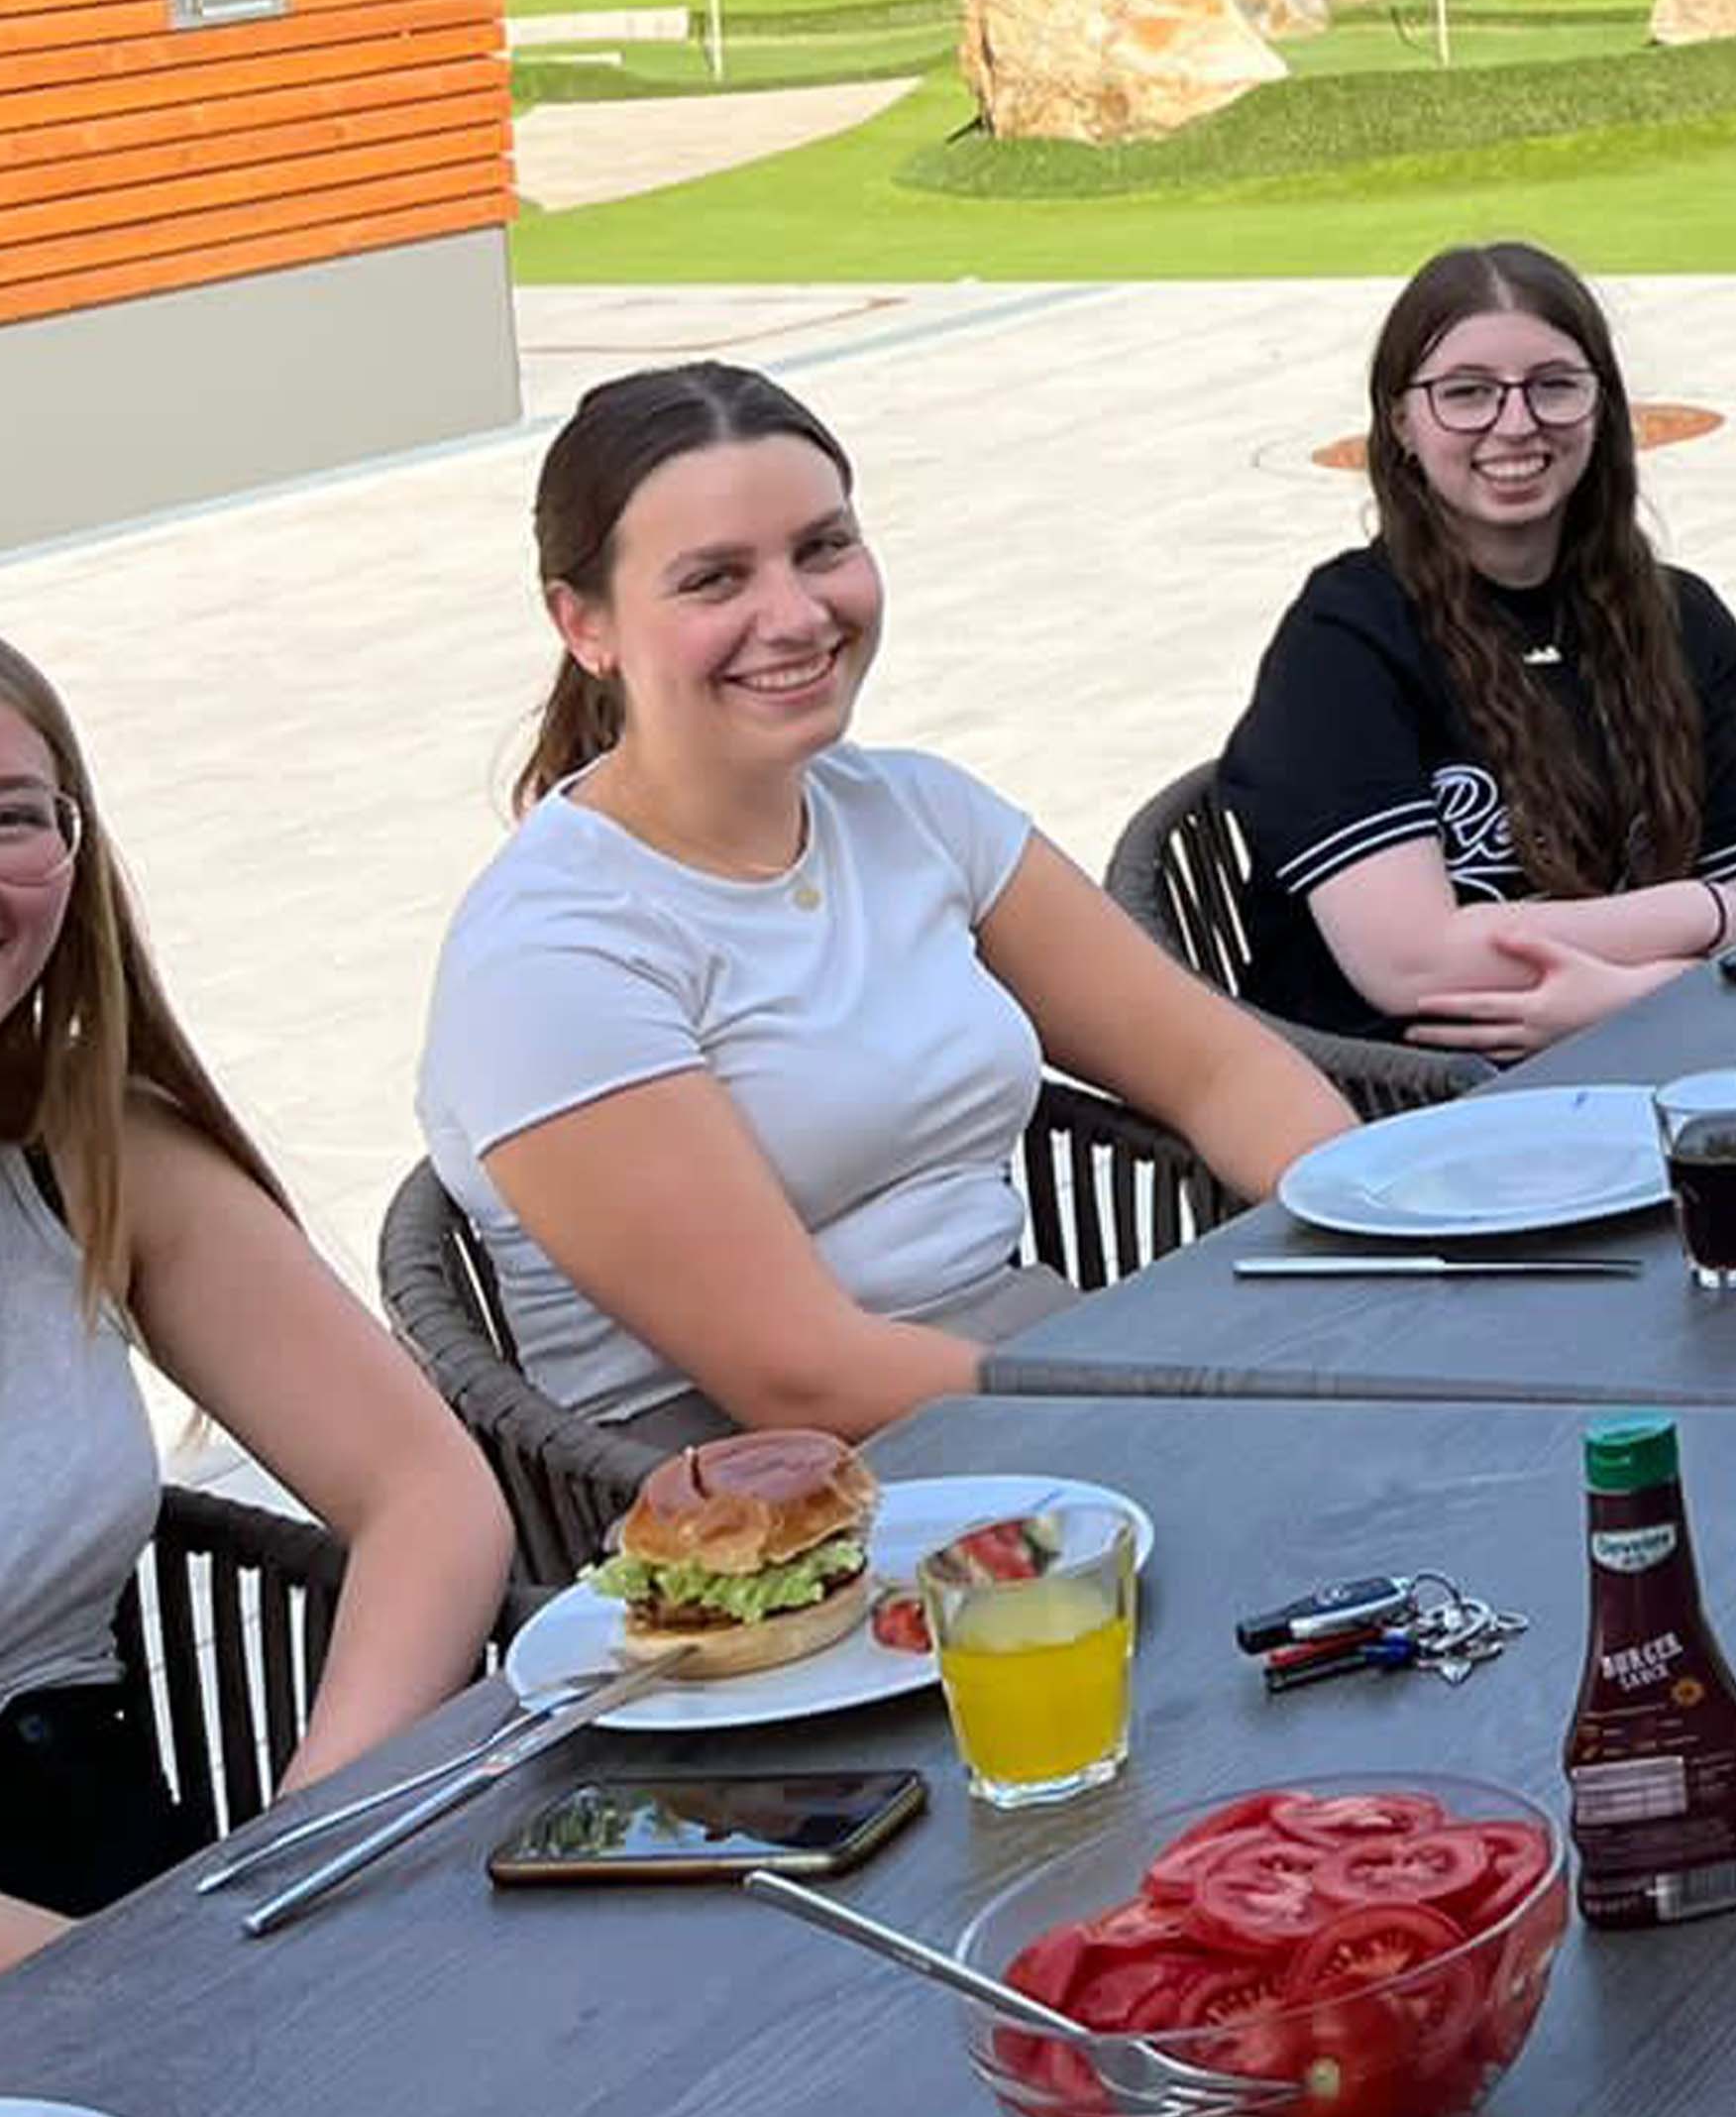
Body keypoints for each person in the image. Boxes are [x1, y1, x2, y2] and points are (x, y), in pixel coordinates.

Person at [0, 615, 507, 2073]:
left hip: (150, 1894)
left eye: (10, 818)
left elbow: (429, 1496)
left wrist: (304, 1850)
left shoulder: (87, 1156)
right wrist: (244, 2008)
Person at [425, 364, 1356, 1453]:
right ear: (585, 624)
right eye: (715, 580)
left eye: (823, 547)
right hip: (781, 1483)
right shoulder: (552, 956)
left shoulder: (914, 810)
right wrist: (1175, 1400)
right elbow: (799, 1375)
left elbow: (1221, 1071)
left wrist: (1371, 1240)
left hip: (1028, 1364)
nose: (796, 614)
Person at [1222, 244, 1736, 1054]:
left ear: (1601, 407)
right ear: (1402, 422)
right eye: (1466, 393)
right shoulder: (1344, 641)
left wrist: (1629, 999)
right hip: (1406, 1100)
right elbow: (1414, 963)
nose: (1516, 422)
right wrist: (1696, 915)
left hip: (1659, 1061)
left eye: (1554, 385)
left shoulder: (1686, 622)